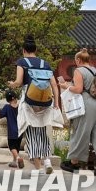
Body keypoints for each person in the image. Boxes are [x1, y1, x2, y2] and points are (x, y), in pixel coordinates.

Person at [9, 37, 60, 175]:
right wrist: (56, 103)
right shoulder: (45, 63)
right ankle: (47, 161)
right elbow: (54, 85)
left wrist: (12, 84)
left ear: (24, 50)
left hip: (29, 99)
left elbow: (19, 82)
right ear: (36, 50)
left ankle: (38, 168)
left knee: (31, 133)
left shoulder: (22, 62)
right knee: (42, 131)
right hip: (45, 101)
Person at [60, 49, 96, 175]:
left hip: (87, 104)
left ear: (78, 60)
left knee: (81, 131)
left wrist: (65, 86)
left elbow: (78, 89)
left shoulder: (79, 71)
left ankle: (74, 162)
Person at [0, 90, 23, 169]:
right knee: (17, 147)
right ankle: (14, 162)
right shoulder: (21, 107)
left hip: (12, 132)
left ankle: (17, 158)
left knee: (11, 146)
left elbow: (0, 115)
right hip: (20, 131)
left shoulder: (7, 107)